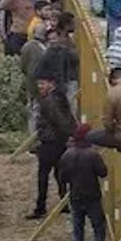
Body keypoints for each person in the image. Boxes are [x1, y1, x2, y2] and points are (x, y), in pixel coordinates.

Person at [58, 124, 109, 241]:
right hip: (92, 197)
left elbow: (62, 178)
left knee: (77, 231)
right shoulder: (93, 154)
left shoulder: (67, 155)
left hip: (75, 196)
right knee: (99, 229)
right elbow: (103, 172)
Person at [28, 69, 76, 219]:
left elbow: (59, 120)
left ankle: (40, 207)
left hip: (50, 142)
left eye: (42, 83)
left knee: (44, 174)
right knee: (59, 174)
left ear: (51, 84)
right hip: (59, 141)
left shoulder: (49, 101)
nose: (40, 87)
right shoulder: (59, 97)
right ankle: (64, 203)